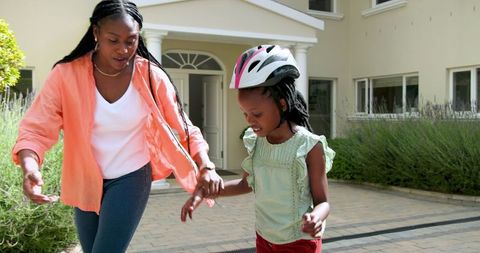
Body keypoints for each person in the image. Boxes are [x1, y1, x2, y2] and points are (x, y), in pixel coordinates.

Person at [11, 1, 223, 252]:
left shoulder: (151, 76)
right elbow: (36, 128)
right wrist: (30, 168)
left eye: (130, 41)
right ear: (96, 33)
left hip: (131, 176)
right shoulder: (66, 74)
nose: (123, 49)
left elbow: (185, 127)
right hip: (84, 180)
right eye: (114, 40)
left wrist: (206, 165)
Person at [181, 45, 335, 253]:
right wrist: (205, 192)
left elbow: (323, 201)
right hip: (264, 238)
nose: (250, 121)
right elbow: (247, 184)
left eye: (257, 114)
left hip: (299, 243)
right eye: (245, 114)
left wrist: (316, 217)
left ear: (282, 104)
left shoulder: (309, 146)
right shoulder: (256, 141)